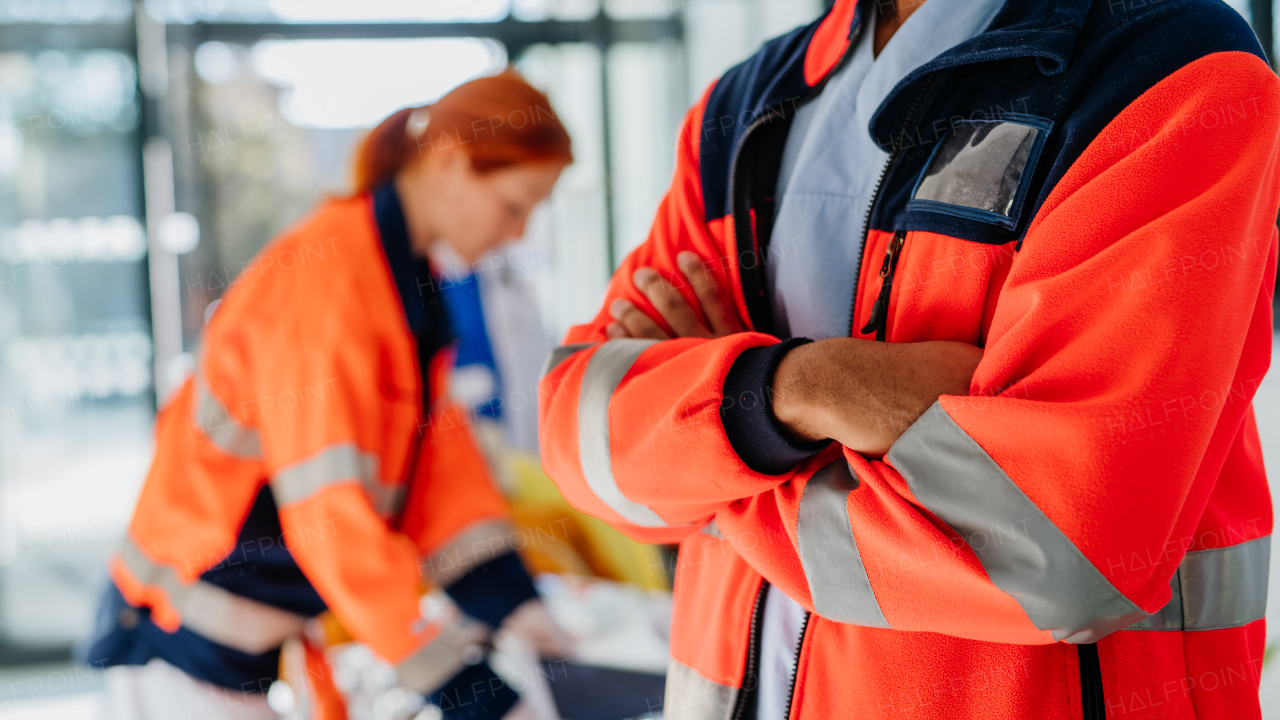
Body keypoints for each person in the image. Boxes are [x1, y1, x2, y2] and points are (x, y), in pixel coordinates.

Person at [538, 0, 1280, 718]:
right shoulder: (744, 104)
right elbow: (577, 435)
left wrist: (706, 446)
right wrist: (799, 391)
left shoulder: (1167, 68)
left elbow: (1051, 551)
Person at [84, 70, 575, 720]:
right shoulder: (333, 282)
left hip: (236, 653)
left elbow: (440, 473)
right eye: (515, 206)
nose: (517, 232)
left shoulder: (405, 287)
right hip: (182, 652)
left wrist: (514, 604)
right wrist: (462, 687)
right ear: (453, 162)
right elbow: (330, 517)